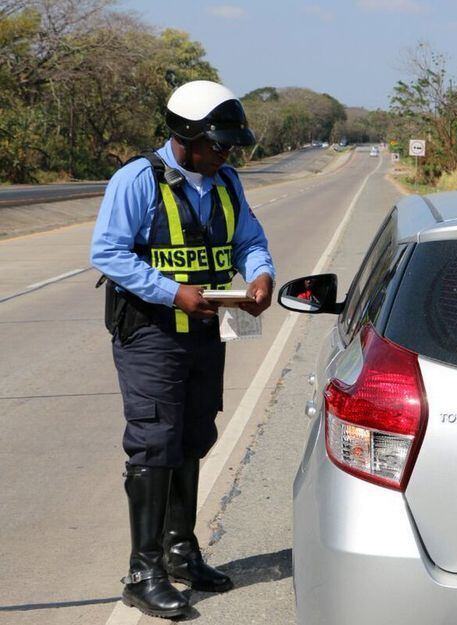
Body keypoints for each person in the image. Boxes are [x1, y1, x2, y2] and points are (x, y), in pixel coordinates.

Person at [90, 80, 275, 619]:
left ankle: (180, 552)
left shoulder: (227, 182)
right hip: (150, 330)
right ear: (185, 136)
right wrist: (173, 292)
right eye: (218, 144)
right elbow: (107, 252)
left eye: (231, 145)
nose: (226, 153)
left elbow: (250, 241)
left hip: (208, 328)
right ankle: (142, 572)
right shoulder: (137, 180)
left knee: (194, 433)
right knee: (155, 440)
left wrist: (259, 276)